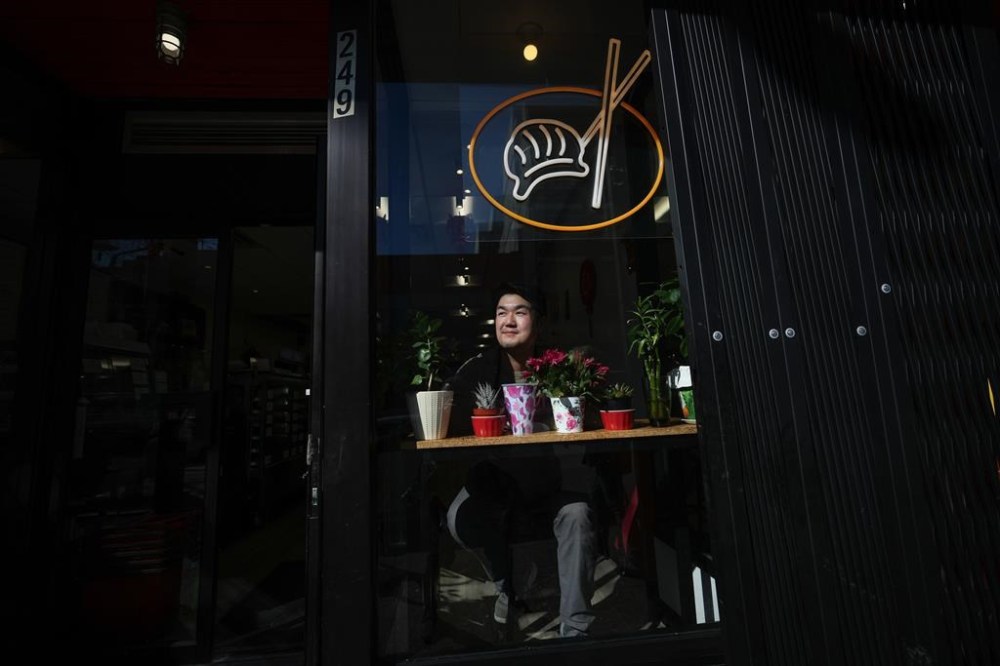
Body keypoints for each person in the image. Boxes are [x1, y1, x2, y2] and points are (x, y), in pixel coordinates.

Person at [443, 282, 597, 638]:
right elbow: (451, 421)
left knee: (578, 516)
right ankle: (507, 584)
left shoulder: (559, 366)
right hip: (494, 483)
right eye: (501, 313)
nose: (508, 321)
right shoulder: (477, 370)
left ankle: (575, 632)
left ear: (537, 325)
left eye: (519, 312)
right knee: (458, 518)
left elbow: (589, 411)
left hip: (550, 481)